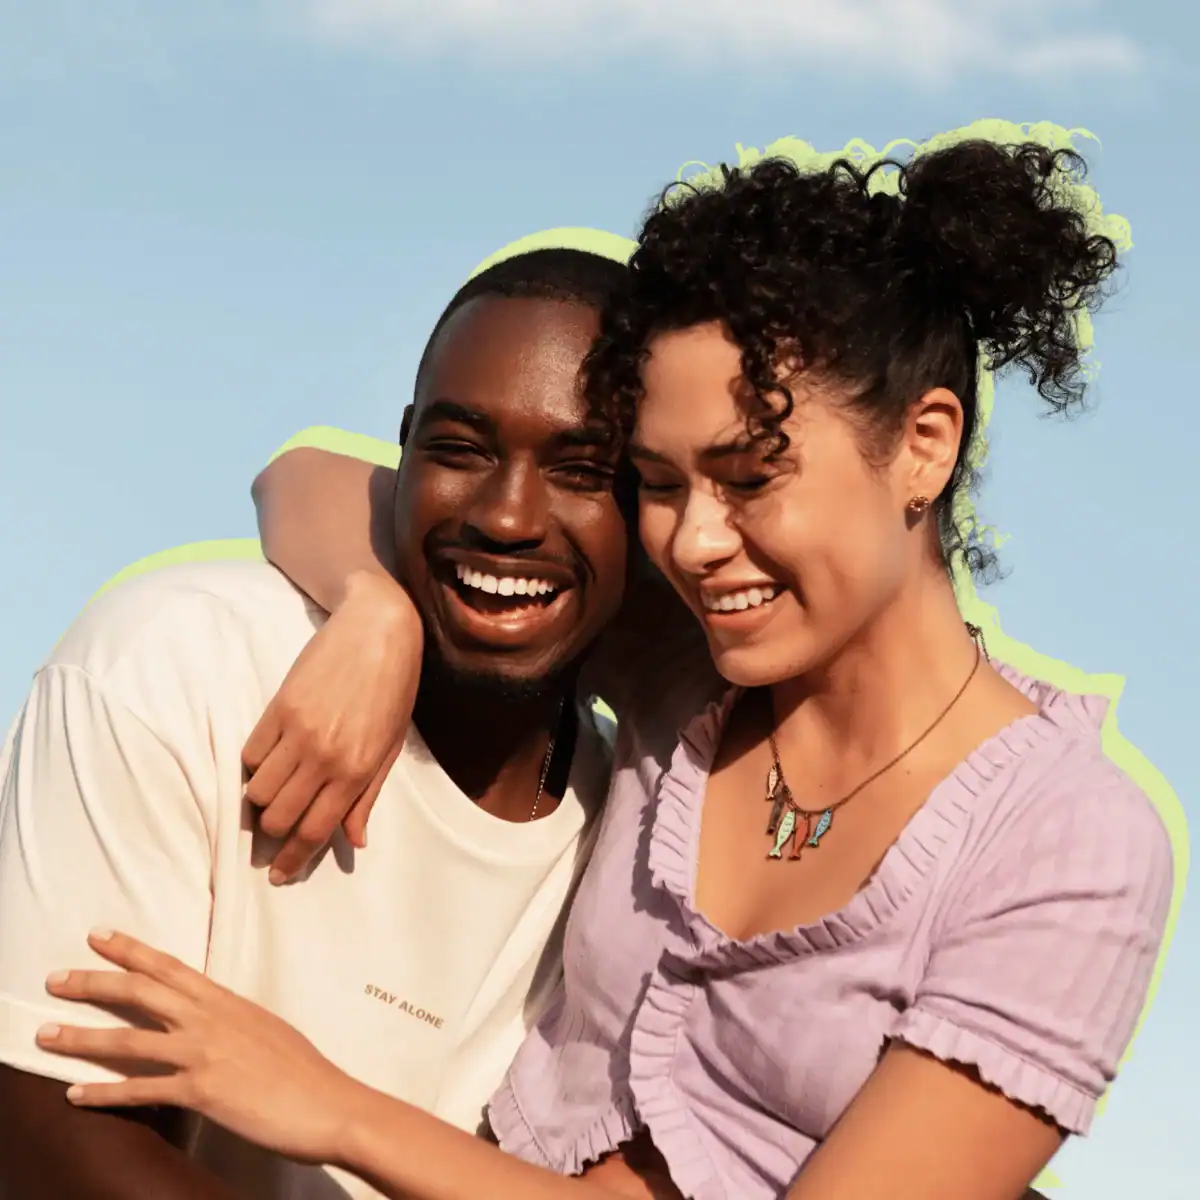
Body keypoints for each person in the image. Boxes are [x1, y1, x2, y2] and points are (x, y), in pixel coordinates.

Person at [37, 142, 1171, 1200]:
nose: (694, 541)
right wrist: (376, 613)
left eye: (748, 475)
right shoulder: (700, 676)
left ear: (924, 442)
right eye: (660, 484)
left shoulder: (1070, 848)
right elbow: (318, 477)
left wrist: (337, 1113)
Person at [0, 248, 636, 1199]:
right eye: (460, 450)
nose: (507, 517)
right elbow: (42, 1127)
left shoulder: (646, 833)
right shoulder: (180, 660)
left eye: (584, 470)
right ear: (405, 452)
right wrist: (375, 610)